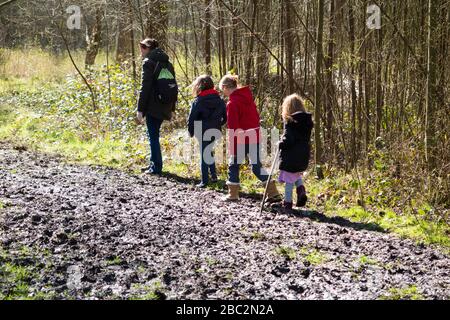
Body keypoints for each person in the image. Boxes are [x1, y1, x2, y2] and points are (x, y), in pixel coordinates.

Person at [219, 75, 280, 202]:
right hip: (255, 136)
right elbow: (256, 119)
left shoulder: (232, 103)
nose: (223, 93)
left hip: (241, 138)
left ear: (225, 87)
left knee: (234, 165)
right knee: (256, 166)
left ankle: (233, 194)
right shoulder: (249, 99)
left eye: (222, 90)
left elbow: (233, 127)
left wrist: (232, 144)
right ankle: (273, 192)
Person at [136, 38, 177, 175]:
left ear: (147, 48)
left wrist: (140, 109)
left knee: (152, 136)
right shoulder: (167, 63)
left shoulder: (148, 62)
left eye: (142, 48)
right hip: (166, 103)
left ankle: (156, 167)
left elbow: (145, 87)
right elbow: (173, 85)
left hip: (153, 105)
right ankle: (153, 164)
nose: (140, 51)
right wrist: (172, 107)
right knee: (153, 134)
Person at [187, 75, 227, 188]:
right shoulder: (219, 100)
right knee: (208, 151)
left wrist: (191, 131)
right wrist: (219, 124)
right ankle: (213, 175)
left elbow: (192, 118)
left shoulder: (198, 101)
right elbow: (225, 117)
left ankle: (204, 180)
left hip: (201, 130)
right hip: (215, 130)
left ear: (199, 86)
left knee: (204, 154)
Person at [277, 94, 314, 211]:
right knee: (295, 174)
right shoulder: (307, 122)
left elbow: (289, 140)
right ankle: (301, 189)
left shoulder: (291, 122)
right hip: (303, 156)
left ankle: (287, 203)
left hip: (291, 157)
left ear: (287, 108)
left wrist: (280, 143)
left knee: (288, 181)